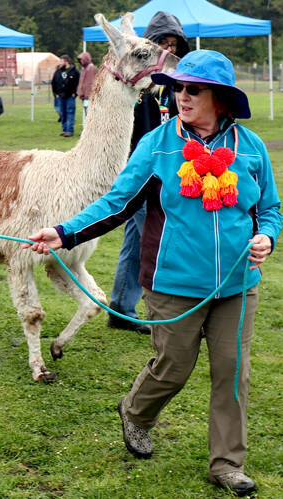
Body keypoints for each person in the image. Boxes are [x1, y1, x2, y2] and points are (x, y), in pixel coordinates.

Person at [25, 50, 281, 497]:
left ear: (219, 98)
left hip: (237, 284)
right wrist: (64, 233)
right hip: (172, 284)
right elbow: (116, 203)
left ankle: (226, 465)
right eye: (178, 87)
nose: (181, 95)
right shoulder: (157, 145)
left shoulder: (252, 148)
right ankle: (136, 413)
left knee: (232, 372)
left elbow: (269, 209)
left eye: (193, 89)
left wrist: (267, 237)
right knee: (173, 368)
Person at [107, 11, 190, 335]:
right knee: (158, 239)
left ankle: (121, 309)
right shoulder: (139, 84)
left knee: (135, 242)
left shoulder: (172, 84)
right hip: (140, 171)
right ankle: (171, 314)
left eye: (173, 45)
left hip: (165, 170)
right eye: (162, 43)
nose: (168, 50)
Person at [51, 55, 79, 137]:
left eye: (61, 61)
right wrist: (55, 93)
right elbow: (54, 82)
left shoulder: (74, 71)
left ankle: (69, 130)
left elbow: (79, 82)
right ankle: (64, 130)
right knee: (63, 113)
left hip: (70, 96)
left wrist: (75, 93)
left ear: (66, 61)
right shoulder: (58, 71)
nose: (60, 63)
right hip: (60, 96)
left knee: (70, 112)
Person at [76, 52, 96, 116]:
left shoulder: (91, 68)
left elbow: (90, 83)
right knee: (87, 113)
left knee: (90, 114)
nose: (81, 61)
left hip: (88, 96)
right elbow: (81, 82)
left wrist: (88, 95)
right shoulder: (84, 69)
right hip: (84, 96)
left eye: (81, 59)